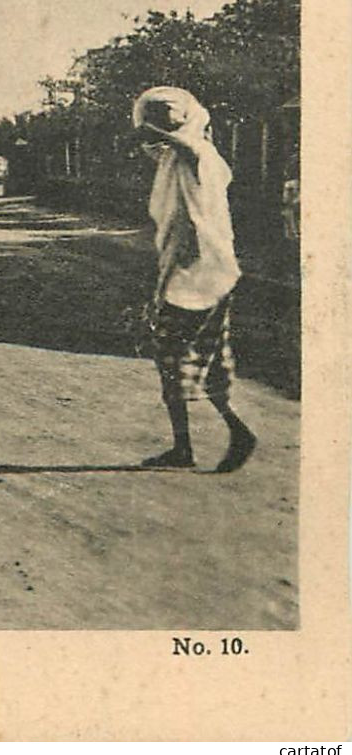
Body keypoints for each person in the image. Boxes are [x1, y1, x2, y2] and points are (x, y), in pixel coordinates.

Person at [132, 86, 254, 472]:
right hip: (204, 276)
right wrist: (154, 133)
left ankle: (194, 445)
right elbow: (158, 150)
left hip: (198, 277)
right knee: (207, 360)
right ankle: (223, 436)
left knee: (172, 358)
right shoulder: (176, 160)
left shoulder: (199, 155)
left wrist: (159, 131)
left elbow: (185, 148)